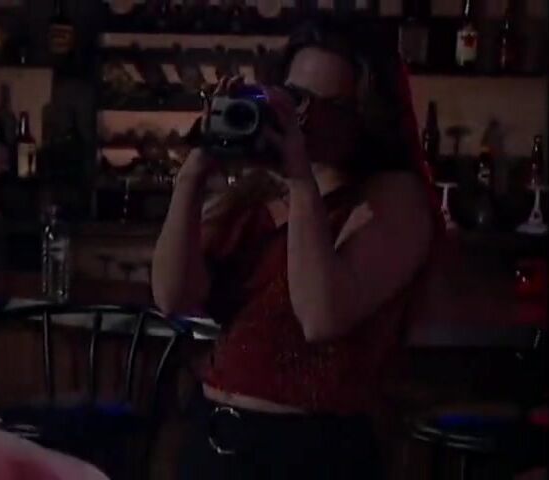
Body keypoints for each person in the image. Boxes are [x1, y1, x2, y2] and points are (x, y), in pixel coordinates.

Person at [151, 16, 441, 479]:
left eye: (328, 106)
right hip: (214, 442)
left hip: (308, 455)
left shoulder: (390, 197)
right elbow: (172, 296)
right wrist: (194, 172)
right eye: (295, 97)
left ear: (367, 114)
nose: (303, 117)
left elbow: (320, 315)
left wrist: (302, 180)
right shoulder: (260, 192)